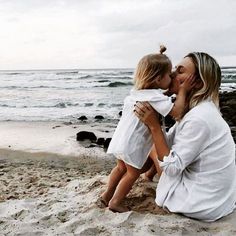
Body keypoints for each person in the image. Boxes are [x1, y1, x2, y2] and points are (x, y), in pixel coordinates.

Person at [134, 52, 236, 222]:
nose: (172, 73)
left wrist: (154, 126)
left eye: (180, 71)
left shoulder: (199, 118)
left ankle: (134, 176)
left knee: (154, 143)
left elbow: (172, 167)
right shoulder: (200, 110)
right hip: (215, 198)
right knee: (157, 142)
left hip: (199, 203)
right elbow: (170, 142)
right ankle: (142, 175)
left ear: (197, 82)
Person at [100, 46, 194, 213]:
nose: (172, 77)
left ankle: (106, 195)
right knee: (132, 173)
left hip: (121, 139)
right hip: (134, 143)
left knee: (120, 168)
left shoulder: (137, 92)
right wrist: (183, 92)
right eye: (169, 75)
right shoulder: (155, 97)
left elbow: (158, 98)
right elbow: (177, 111)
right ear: (158, 79)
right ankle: (115, 202)